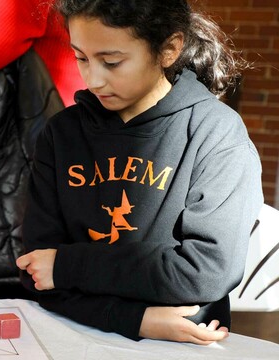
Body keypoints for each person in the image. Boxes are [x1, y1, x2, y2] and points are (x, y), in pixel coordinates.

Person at [16, 0, 263, 345]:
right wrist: (138, 319)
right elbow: (37, 270)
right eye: (81, 58)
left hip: (177, 345)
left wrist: (69, 267)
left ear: (169, 49)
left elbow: (206, 273)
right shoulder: (61, 134)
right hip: (70, 334)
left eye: (112, 62)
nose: (93, 79)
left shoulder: (215, 134)